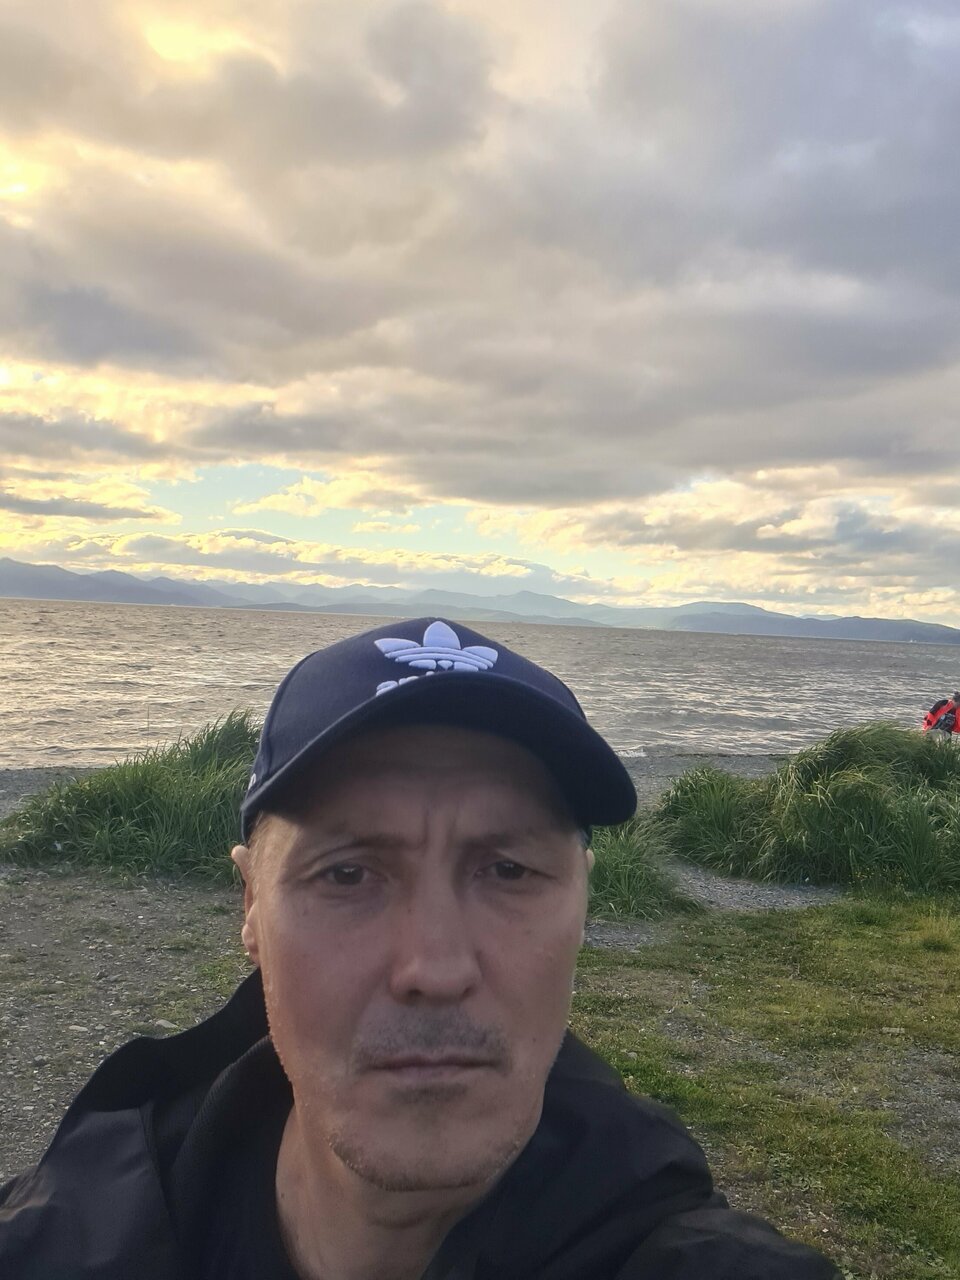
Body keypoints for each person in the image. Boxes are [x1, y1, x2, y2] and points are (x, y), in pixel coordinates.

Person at [0, 618, 839, 1279]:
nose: (434, 970)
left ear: (582, 902)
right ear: (250, 904)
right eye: (347, 874)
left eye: (508, 870)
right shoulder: (66, 1236)